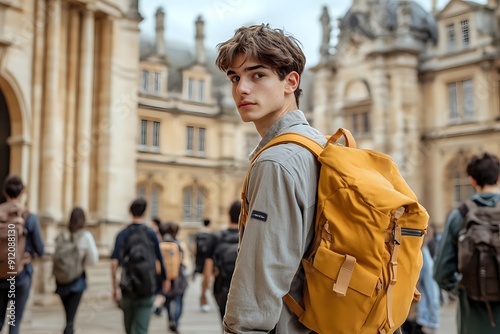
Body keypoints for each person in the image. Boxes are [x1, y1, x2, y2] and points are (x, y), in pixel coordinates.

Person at [215, 24, 327, 332]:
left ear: (291, 82)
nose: (242, 88)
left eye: (257, 75)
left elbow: (259, 283)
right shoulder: (320, 144)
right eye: (235, 78)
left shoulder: (276, 162)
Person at [433, 152, 500, 333]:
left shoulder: (459, 215)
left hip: (473, 319)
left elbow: (441, 273)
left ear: (472, 180)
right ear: (498, 177)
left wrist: (465, 288)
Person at [111, 198, 170, 334]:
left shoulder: (122, 234)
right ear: (145, 213)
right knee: (141, 329)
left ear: (130, 212)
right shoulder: (151, 233)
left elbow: (114, 263)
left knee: (129, 328)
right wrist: (165, 279)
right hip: (147, 287)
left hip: (127, 288)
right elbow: (160, 259)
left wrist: (115, 287)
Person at [0, 175, 45, 334]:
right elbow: (41, 249)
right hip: (19, 277)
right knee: (14, 322)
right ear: (23, 192)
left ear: (5, 191)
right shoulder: (29, 217)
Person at [55, 207, 98, 334]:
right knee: (70, 319)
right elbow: (93, 259)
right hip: (77, 280)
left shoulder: (62, 234)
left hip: (61, 279)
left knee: (68, 315)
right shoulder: (85, 236)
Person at [210, 200, 241, 320]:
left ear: (229, 216)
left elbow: (209, 267)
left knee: (224, 322)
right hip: (242, 289)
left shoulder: (217, 237)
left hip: (221, 288)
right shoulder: (248, 237)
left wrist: (203, 292)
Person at [159, 222, 188, 333]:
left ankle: (170, 319)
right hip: (178, 277)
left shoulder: (161, 244)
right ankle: (175, 321)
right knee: (179, 301)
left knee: (167, 301)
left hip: (165, 277)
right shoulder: (178, 244)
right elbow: (183, 261)